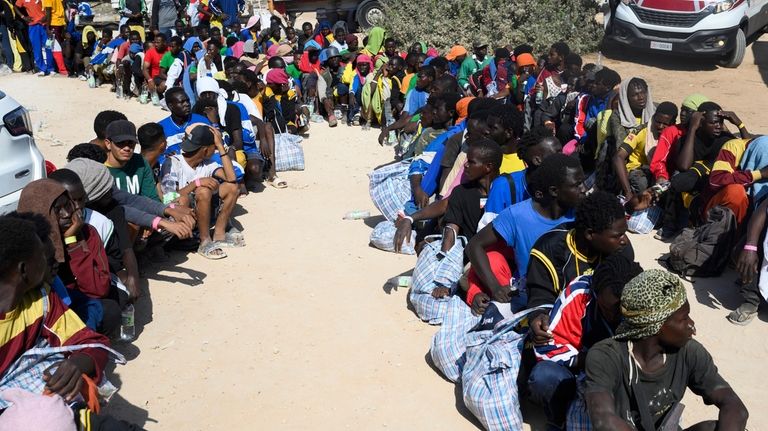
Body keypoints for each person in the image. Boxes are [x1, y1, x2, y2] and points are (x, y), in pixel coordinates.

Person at [585, 269, 748, 430]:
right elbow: (603, 420)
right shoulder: (605, 356)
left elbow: (734, 406)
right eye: (684, 318)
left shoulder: (689, 352)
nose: (691, 325)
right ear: (656, 326)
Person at [0, 216, 119, 424]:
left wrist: (76, 364)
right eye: (42, 258)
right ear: (24, 270)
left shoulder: (41, 299)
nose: (51, 262)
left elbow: (92, 343)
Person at [529, 255, 643, 430]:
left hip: (618, 378)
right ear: (595, 292)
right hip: (575, 371)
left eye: (620, 310)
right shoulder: (580, 292)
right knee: (543, 376)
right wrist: (587, 359)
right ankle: (559, 419)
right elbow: (546, 347)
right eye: (607, 308)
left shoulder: (646, 306)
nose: (613, 316)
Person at [466, 154, 585, 315]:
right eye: (577, 185)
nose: (584, 189)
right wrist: (495, 287)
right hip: (536, 296)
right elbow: (474, 245)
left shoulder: (583, 213)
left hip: (577, 292)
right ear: (554, 191)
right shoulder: (517, 215)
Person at [527, 191, 634, 347]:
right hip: (563, 327)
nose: (624, 240)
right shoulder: (548, 250)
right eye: (618, 235)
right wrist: (538, 317)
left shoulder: (621, 251)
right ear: (590, 234)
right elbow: (540, 295)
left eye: (624, 233)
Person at [159, 124, 240, 259]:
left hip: (201, 214)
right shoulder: (173, 163)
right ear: (205, 150)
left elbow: (231, 178)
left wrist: (221, 147)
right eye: (213, 147)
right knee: (203, 191)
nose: (215, 150)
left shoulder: (207, 164)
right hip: (181, 215)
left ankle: (219, 234)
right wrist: (196, 184)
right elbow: (169, 199)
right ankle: (204, 241)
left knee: (232, 187)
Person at [481, 126, 563, 226]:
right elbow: (487, 231)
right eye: (558, 153)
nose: (564, 157)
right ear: (537, 160)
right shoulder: (504, 186)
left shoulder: (564, 187)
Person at [613, 101, 678, 204]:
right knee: (642, 184)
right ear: (654, 116)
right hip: (639, 170)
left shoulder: (674, 135)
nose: (660, 126)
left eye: (665, 124)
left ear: (673, 123)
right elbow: (618, 157)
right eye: (658, 121)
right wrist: (628, 192)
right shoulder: (642, 131)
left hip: (660, 172)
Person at [104, 120, 160, 201]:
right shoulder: (99, 168)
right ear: (108, 144)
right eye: (120, 143)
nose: (126, 148)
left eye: (131, 143)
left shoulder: (140, 162)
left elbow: (152, 198)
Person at [15, 0, 52, 75]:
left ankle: (51, 68)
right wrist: (23, 17)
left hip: (45, 25)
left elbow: (48, 8)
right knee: (36, 48)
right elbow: (15, 7)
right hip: (33, 26)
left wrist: (47, 18)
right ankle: (42, 69)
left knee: (49, 47)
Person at [142, 32, 169, 102]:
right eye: (155, 42)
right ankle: (154, 92)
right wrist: (149, 80)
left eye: (158, 42)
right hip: (155, 78)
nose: (156, 44)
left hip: (167, 75)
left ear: (164, 43)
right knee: (164, 84)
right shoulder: (150, 52)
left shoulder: (169, 50)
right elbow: (145, 69)